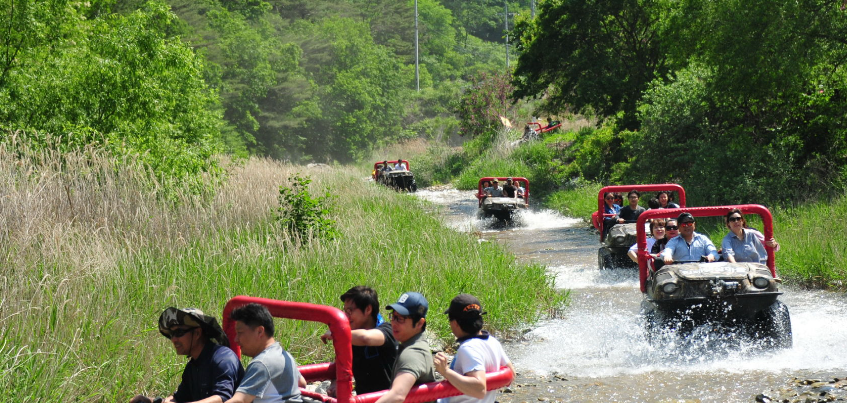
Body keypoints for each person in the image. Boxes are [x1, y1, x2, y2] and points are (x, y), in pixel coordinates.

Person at [132, 308, 245, 403]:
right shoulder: (192, 367)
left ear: (197, 333)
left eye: (179, 332)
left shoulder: (223, 359)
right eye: (171, 334)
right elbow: (179, 399)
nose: (174, 339)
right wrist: (152, 401)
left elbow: (223, 398)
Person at [434, 294, 514, 403]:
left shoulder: (468, 348)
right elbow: (511, 375)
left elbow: (479, 389)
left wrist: (445, 371)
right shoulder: (493, 342)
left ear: (455, 323)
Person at [320, 286, 398, 396]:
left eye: (350, 311)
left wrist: (336, 333)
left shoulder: (388, 330)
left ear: (368, 310)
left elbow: (365, 338)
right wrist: (335, 384)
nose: (346, 316)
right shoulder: (351, 335)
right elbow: (340, 363)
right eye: (345, 311)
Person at [226, 303, 303, 403]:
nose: (236, 339)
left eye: (240, 332)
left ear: (260, 331)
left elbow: (239, 401)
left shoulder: (262, 363)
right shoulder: (284, 355)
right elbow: (302, 383)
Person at [375, 292, 436, 403]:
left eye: (400, 318)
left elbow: (397, 395)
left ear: (419, 323)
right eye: (393, 316)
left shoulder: (413, 353)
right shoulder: (411, 344)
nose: (393, 323)